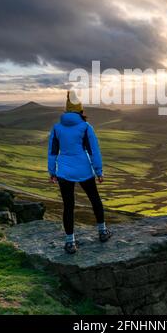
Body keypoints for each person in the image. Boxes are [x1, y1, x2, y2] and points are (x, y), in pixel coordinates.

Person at [48, 90, 112, 254]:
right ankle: (103, 232)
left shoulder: (56, 128)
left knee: (68, 206)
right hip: (84, 169)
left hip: (64, 171)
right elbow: (94, 151)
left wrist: (52, 171)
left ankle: (70, 242)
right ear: (80, 110)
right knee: (94, 200)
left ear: (66, 110)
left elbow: (53, 152)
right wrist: (99, 171)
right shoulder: (85, 127)